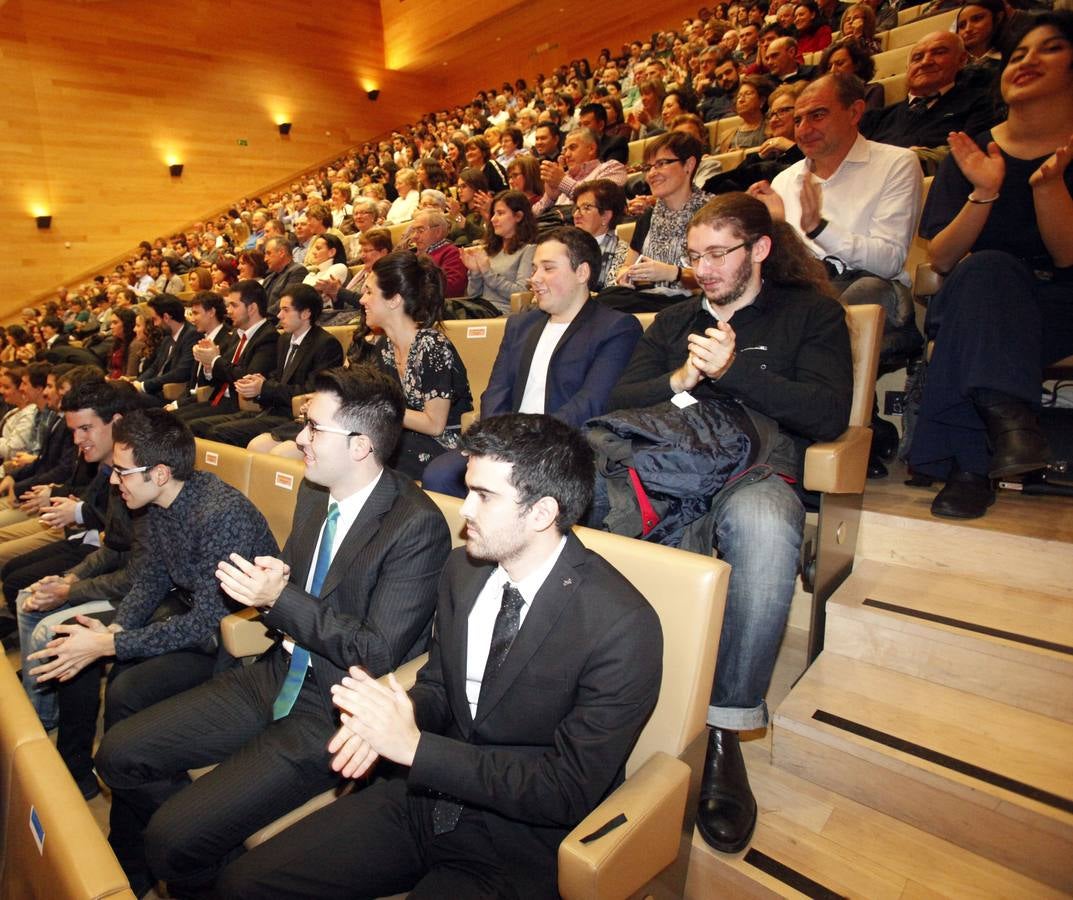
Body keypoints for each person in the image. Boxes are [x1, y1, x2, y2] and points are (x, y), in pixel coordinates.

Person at [213, 412, 663, 899]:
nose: (465, 509)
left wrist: (415, 748)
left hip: (516, 842)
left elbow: (565, 789)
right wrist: (392, 719)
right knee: (243, 884)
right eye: (468, 489)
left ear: (541, 513)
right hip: (425, 797)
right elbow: (441, 685)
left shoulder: (621, 625)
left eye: (484, 495)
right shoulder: (463, 571)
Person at [95, 366, 452, 897]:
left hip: (331, 706)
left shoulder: (416, 525)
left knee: (171, 839)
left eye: (314, 428)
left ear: (359, 446)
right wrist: (271, 586)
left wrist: (278, 599)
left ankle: (197, 852)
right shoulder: (315, 491)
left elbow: (376, 652)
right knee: (117, 754)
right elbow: (295, 588)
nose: (300, 438)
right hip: (276, 671)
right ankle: (209, 847)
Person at [607, 192, 851, 853]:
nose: (703, 269)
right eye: (694, 255)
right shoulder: (673, 320)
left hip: (758, 470)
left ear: (760, 249)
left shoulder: (810, 313)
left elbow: (826, 414)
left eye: (718, 254)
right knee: (597, 508)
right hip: (671, 467)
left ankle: (724, 727)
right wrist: (681, 378)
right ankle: (607, 699)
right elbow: (620, 399)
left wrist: (735, 372)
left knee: (766, 530)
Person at [27, 407, 277, 803]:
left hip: (231, 641)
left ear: (159, 473)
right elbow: (152, 578)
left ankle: (140, 805)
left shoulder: (220, 514)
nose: (114, 481)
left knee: (126, 689)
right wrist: (116, 629)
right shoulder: (162, 502)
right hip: (188, 614)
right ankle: (97, 782)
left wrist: (112, 644)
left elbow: (206, 623)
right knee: (89, 650)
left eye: (122, 472)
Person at [909, 12, 1073, 519]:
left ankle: (970, 466)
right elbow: (941, 256)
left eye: (1049, 49)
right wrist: (984, 191)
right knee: (986, 271)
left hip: (1058, 305)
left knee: (987, 289)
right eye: (1018, 54)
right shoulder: (972, 148)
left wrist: (1049, 186)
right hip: (977, 297)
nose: (1027, 61)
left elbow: (1067, 257)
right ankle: (1012, 427)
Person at [422, 226, 641, 497]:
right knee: (440, 474)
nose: (534, 278)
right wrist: (493, 442)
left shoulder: (615, 328)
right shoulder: (520, 325)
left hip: (564, 447)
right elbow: (496, 392)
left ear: (582, 273)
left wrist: (523, 442)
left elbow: (590, 403)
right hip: (507, 443)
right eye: (535, 268)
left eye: (548, 268)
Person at [748, 73, 923, 333]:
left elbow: (888, 262)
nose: (804, 129)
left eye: (817, 115)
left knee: (859, 295)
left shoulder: (896, 164)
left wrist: (820, 229)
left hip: (865, 288)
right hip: (800, 292)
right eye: (798, 120)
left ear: (854, 112)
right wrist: (775, 228)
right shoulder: (784, 180)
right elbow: (781, 270)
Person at [360, 251, 472, 478]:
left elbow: (434, 425)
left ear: (394, 300)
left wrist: (378, 409)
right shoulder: (384, 346)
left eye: (369, 292)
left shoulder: (432, 345)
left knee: (365, 457)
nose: (362, 300)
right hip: (405, 437)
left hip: (445, 445)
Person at [190, 285, 345, 446]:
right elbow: (276, 377)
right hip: (269, 410)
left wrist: (263, 387)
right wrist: (257, 382)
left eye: (286, 310)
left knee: (218, 432)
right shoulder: (285, 339)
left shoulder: (325, 344)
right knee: (198, 427)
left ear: (306, 313)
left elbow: (310, 391)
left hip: (292, 418)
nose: (279, 315)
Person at [607, 132, 710, 312]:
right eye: (648, 167)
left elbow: (722, 276)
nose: (652, 174)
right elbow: (628, 265)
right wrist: (625, 274)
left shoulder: (713, 214)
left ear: (689, 164)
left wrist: (674, 273)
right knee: (604, 299)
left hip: (693, 303)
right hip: (650, 298)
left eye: (661, 164)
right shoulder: (648, 217)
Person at [860, 32, 999, 156]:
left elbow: (972, 155)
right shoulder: (875, 118)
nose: (925, 62)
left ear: (962, 60)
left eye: (939, 53)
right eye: (917, 58)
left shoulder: (981, 103)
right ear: (908, 68)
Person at [175, 281, 277, 423]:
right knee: (171, 418)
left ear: (252, 308)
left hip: (240, 406)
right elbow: (219, 376)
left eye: (234, 305)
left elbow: (246, 379)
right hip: (219, 399)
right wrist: (208, 365)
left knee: (187, 424)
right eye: (228, 305)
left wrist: (215, 360)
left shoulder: (268, 337)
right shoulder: (236, 334)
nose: (228, 311)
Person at [461, 190, 538, 315]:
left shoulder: (529, 250)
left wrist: (487, 272)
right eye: (493, 214)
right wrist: (475, 272)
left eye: (500, 213)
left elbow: (521, 293)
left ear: (518, 216)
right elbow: (473, 295)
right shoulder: (489, 249)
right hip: (479, 310)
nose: (493, 219)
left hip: (502, 313)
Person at [532, 128, 628, 216]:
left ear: (591, 149)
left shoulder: (612, 167)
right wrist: (550, 198)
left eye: (572, 148)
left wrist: (563, 182)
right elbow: (534, 214)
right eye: (565, 150)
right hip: (554, 226)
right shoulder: (563, 176)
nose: (567, 154)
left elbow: (601, 200)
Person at [133, 295, 198, 404]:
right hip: (156, 392)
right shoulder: (167, 338)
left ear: (166, 317)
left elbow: (181, 372)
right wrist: (136, 384)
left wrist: (144, 386)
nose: (154, 324)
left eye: (155, 319)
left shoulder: (192, 335)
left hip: (171, 397)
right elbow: (154, 367)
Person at [409, 209, 468, 298]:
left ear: (438, 232)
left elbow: (452, 289)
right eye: (413, 231)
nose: (414, 237)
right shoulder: (412, 255)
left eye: (420, 231)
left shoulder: (451, 253)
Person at [719, 74, 776, 151]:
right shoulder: (726, 136)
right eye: (739, 96)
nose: (741, 100)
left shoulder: (773, 129)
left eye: (748, 94)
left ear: (762, 101)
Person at [261, 236, 309, 318]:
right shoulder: (269, 278)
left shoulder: (298, 271)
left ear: (281, 253)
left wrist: (261, 317)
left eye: (268, 253)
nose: (265, 259)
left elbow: (287, 301)